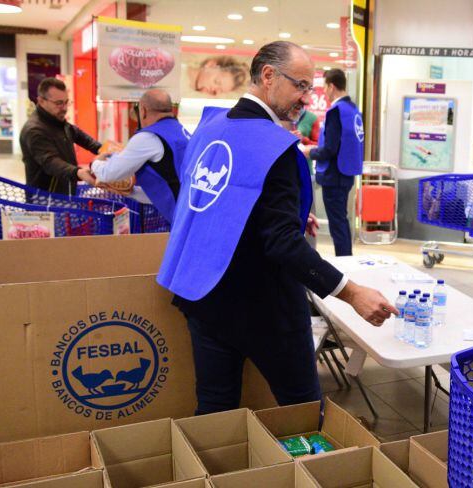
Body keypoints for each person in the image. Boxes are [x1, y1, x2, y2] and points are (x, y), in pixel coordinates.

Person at [157, 41, 394, 414]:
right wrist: (353, 294)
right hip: (263, 307)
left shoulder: (210, 127)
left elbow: (212, 200)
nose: (306, 98)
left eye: (310, 88)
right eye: (300, 85)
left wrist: (288, 214)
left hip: (203, 297)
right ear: (268, 75)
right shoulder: (274, 146)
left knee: (215, 409)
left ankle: (213, 473)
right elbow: (283, 244)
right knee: (302, 411)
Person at [91, 89, 188, 224]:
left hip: (183, 218)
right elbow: (169, 184)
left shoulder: (148, 137)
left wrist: (95, 164)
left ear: (143, 110)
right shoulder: (181, 131)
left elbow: (109, 173)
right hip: (192, 211)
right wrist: (131, 192)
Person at [303, 69, 365, 257]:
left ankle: (344, 262)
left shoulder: (335, 112)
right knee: (342, 221)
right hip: (346, 173)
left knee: (337, 224)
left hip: (333, 174)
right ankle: (346, 258)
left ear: (331, 86)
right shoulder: (353, 110)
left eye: (325, 88)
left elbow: (329, 149)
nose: (325, 93)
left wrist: (308, 151)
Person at [20, 77, 101, 194]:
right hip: (45, 199)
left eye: (66, 102)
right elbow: (51, 162)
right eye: (58, 103)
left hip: (65, 192)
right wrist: (78, 172)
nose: (64, 108)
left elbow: (83, 138)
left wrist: (104, 150)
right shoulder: (34, 130)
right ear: (41, 101)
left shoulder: (57, 121)